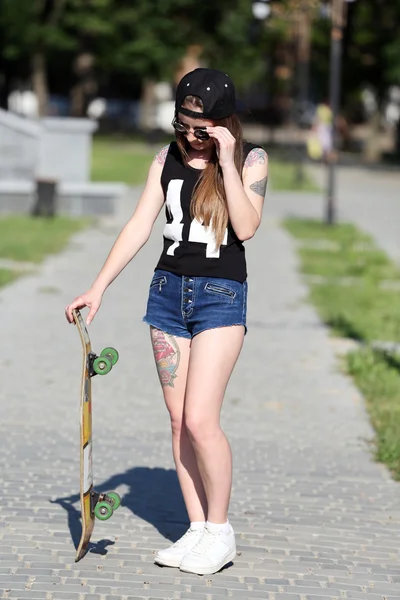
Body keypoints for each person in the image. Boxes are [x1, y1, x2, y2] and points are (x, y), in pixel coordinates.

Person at [65, 68, 268, 575]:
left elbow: (247, 226)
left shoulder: (251, 160)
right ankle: (196, 529)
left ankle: (220, 531)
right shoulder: (166, 158)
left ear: (225, 123)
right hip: (166, 297)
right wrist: (98, 286)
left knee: (201, 420)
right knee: (179, 423)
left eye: (202, 128)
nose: (191, 136)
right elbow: (140, 223)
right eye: (184, 125)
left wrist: (223, 158)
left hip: (221, 297)